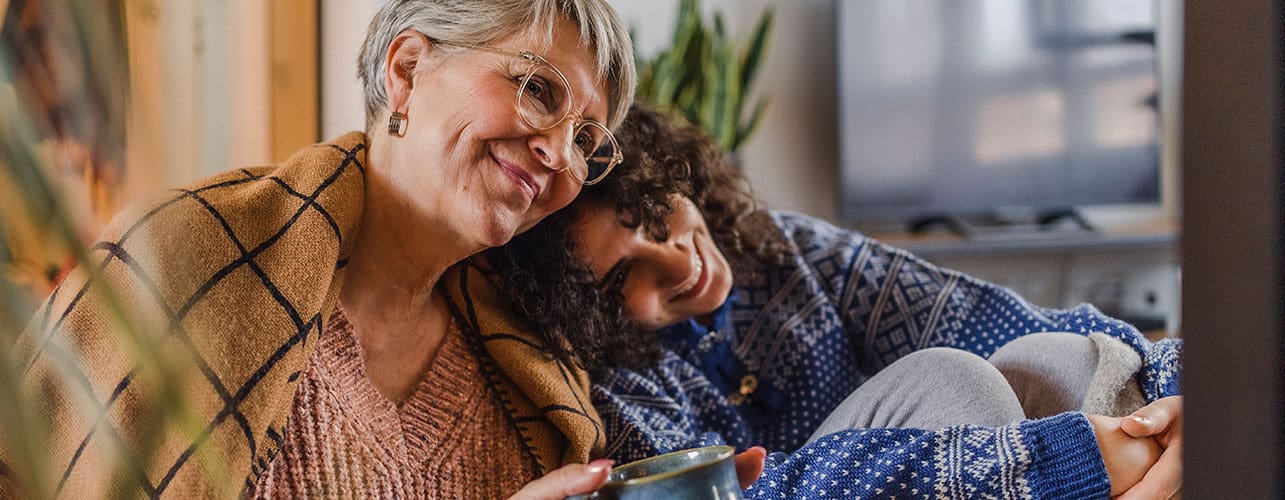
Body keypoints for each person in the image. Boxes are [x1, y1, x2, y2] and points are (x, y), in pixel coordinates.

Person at [2, 1, 637, 498]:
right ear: (407, 70)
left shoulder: (534, 357)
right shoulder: (179, 253)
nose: (559, 154)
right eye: (536, 88)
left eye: (586, 139)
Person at [487, 104, 1184, 498]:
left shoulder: (784, 250)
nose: (677, 261)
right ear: (591, 315)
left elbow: (991, 316)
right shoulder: (615, 390)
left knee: (1048, 353)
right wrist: (1052, 459)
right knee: (954, 382)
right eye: (622, 279)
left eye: (653, 214)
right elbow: (753, 495)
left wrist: (1183, 397)